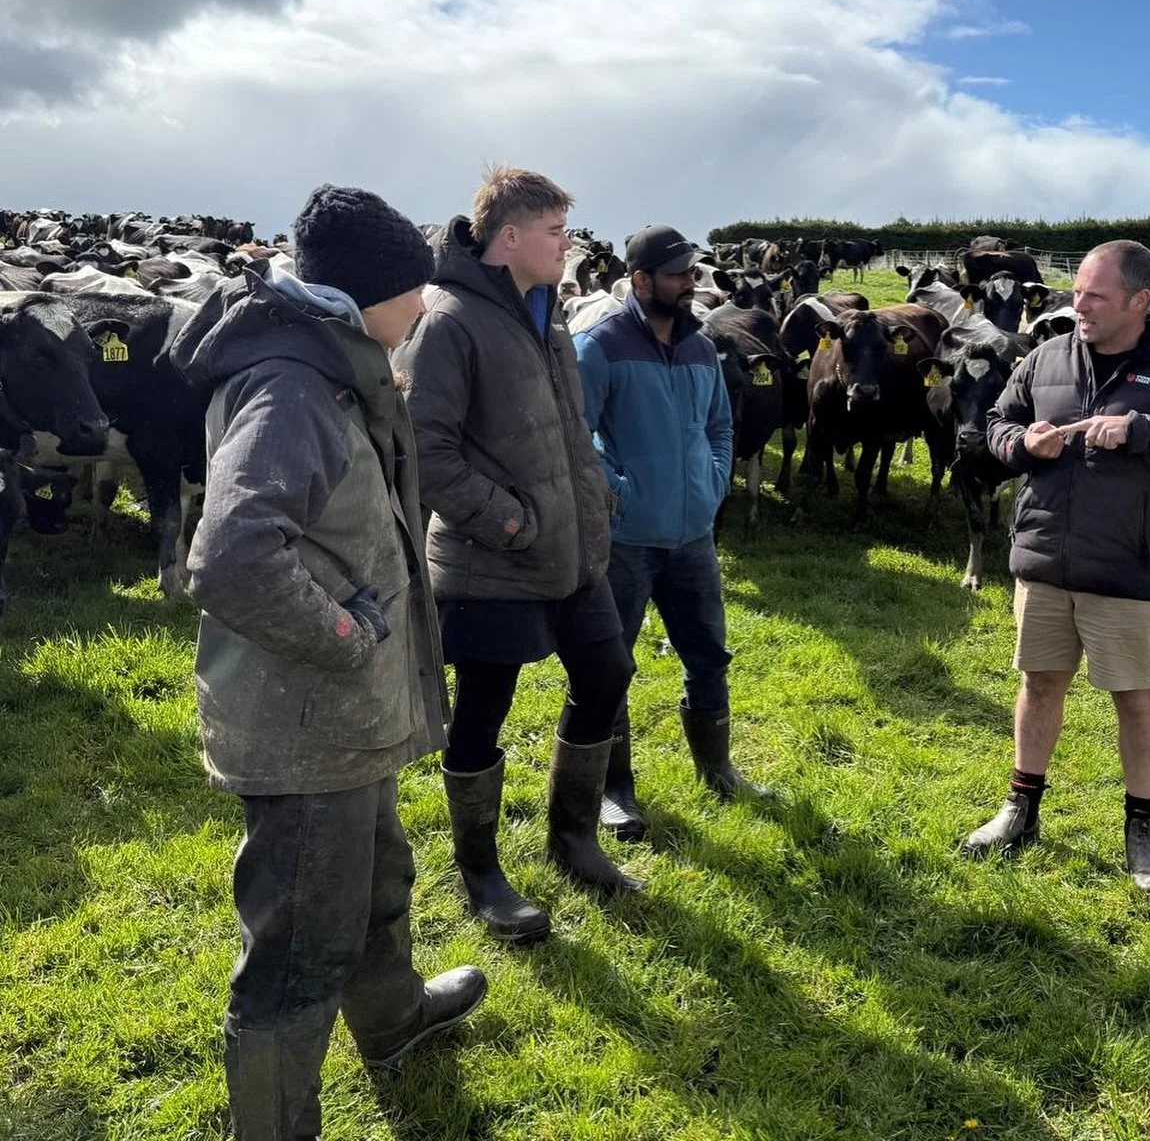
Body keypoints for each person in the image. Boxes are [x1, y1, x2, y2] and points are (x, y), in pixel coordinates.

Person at [173, 185, 485, 1140]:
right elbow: (230, 557)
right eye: (417, 290)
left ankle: (390, 1019)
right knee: (298, 952)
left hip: (343, 716)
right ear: (368, 293)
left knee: (377, 878)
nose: (428, 306)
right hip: (305, 718)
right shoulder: (294, 387)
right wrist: (346, 638)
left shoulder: (337, 369)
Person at [393, 165, 639, 947]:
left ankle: (572, 837)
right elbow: (425, 452)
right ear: (510, 238)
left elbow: (569, 429)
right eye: (555, 231)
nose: (568, 245)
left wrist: (591, 494)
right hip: (490, 559)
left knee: (608, 673)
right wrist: (507, 521)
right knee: (482, 715)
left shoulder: (550, 315)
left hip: (573, 549)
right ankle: (482, 873)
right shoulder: (450, 322)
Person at [964, 240, 1150, 907]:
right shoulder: (1047, 355)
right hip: (1046, 556)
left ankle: (1142, 831)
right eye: (1077, 292)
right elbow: (997, 423)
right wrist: (1022, 444)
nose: (1077, 306)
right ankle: (1020, 809)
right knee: (1040, 682)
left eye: (1095, 297)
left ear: (1139, 302)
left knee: (1133, 697)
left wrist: (1143, 429)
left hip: (1128, 567)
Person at [572, 224, 770, 843]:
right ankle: (614, 790)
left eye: (691, 272)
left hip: (692, 538)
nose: (690, 282)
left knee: (708, 653)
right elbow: (579, 439)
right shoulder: (598, 347)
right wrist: (621, 491)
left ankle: (717, 769)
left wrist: (713, 480)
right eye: (678, 273)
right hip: (627, 540)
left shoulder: (702, 348)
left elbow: (719, 424)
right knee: (613, 664)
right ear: (640, 280)